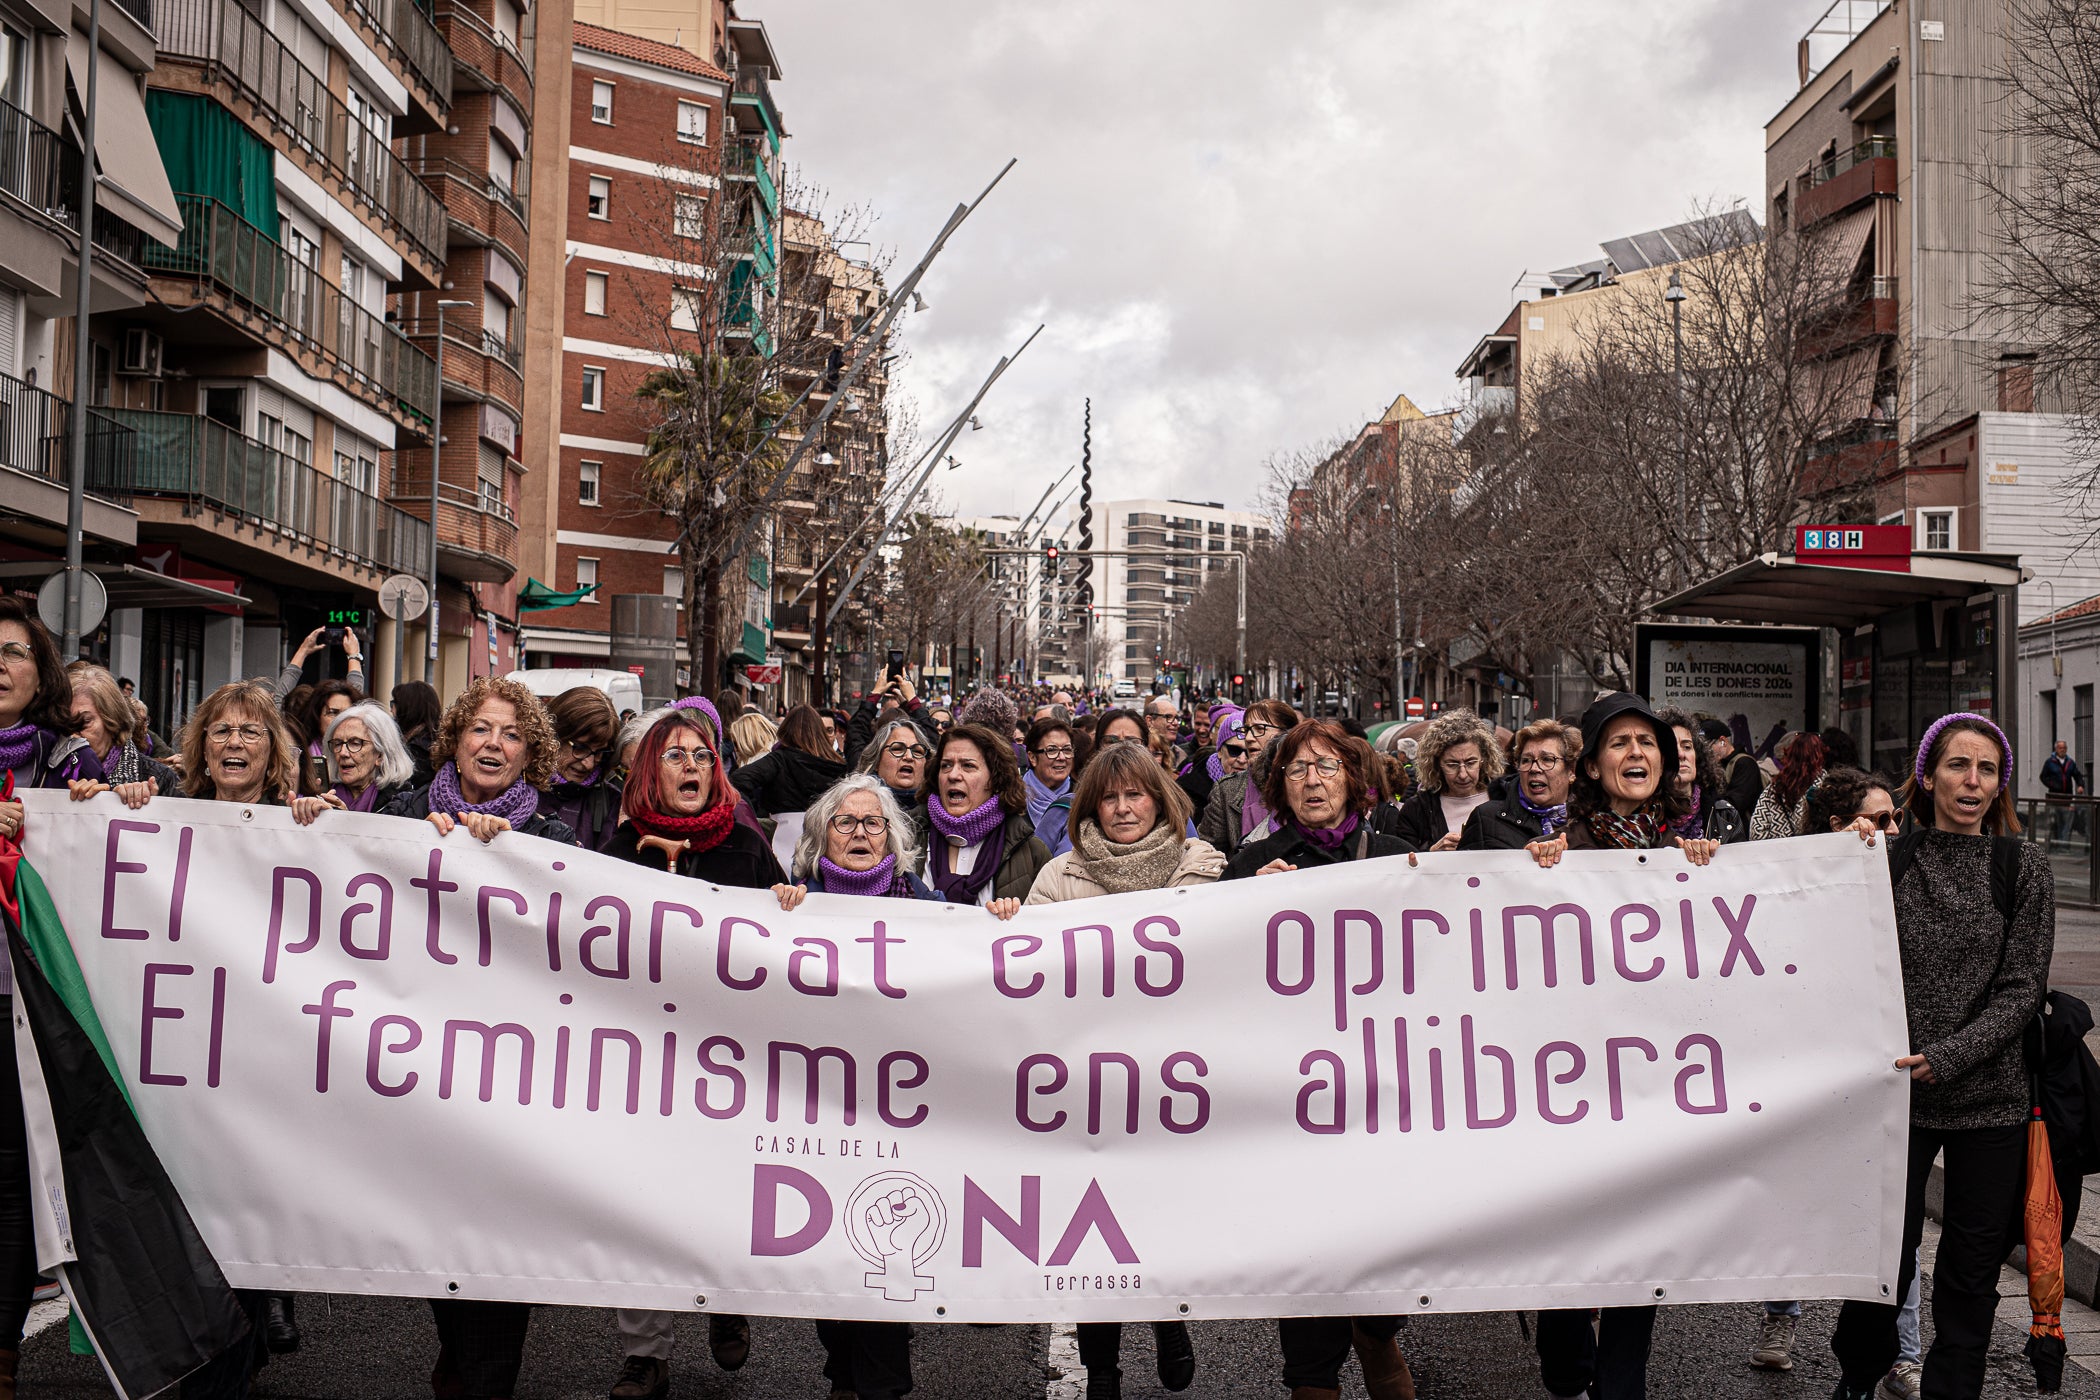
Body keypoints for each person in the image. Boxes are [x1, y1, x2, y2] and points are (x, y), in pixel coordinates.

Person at [1828, 714, 2053, 1400]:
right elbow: (1825, 945)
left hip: (1992, 1103)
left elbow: (2023, 990)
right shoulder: (1887, 860)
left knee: (1969, 1271)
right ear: (1927, 777)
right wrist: (1847, 845)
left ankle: (1952, 1390)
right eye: (1958, 765)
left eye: (1987, 769)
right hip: (1897, 1098)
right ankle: (1858, 1376)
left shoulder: (2022, 867)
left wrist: (1949, 1056)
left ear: (1999, 785)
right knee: (1879, 1263)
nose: (1972, 780)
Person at [1521, 693, 1718, 1400]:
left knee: (1640, 1243)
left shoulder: (1691, 852)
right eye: (1619, 743)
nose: (1635, 754)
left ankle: (1621, 1381)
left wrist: (1712, 874)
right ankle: (1568, 1359)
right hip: (1570, 1089)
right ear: (1593, 765)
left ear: (1665, 763)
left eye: (1648, 743)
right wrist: (1534, 872)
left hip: (1654, 1087)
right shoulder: (1554, 852)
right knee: (1575, 1242)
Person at [1221, 718, 1414, 1398]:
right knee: (1304, 1277)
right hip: (1289, 1111)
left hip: (1373, 1103)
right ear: (1279, 786)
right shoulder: (1252, 865)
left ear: (1355, 781)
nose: (1312, 781)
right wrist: (1249, 907)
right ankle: (1316, 1371)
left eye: (1327, 767)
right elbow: (1219, 985)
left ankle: (1376, 1333)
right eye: (1298, 769)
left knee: (1374, 1267)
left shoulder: (1395, 856)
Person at [1024, 741, 1215, 1399]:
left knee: (1159, 1218)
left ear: (1159, 799)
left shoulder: (1204, 869)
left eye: (1136, 794)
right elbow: (1029, 976)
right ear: (1091, 806)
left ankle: (1167, 1317)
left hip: (1173, 1084)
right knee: (1095, 1232)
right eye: (1111, 796)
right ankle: (1102, 1369)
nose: (1125, 807)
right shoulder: (1058, 879)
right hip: (1088, 1086)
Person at [603, 703, 783, 1398]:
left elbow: (787, 939)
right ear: (651, 770)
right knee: (644, 1204)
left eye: (703, 756)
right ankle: (644, 1352)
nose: (692, 767)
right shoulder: (617, 858)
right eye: (675, 756)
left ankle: (725, 1299)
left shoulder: (746, 846)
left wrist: (790, 904)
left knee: (721, 1194)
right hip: (645, 1063)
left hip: (729, 1065)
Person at [1747, 764, 1906, 1378]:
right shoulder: (1791, 883)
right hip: (1804, 1064)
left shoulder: (1905, 878)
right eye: (1880, 820)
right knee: (1793, 1190)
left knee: (1891, 1207)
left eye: (1897, 819)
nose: (1894, 831)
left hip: (1877, 1065)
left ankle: (1903, 1353)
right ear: (1840, 827)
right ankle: (1783, 1313)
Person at [380, 677, 576, 850]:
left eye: (511, 735)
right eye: (481, 729)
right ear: (456, 743)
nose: (493, 743)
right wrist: (412, 841)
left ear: (528, 757)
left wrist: (513, 848)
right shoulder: (402, 812)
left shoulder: (553, 840)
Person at [923, 723, 1047, 910]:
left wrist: (1013, 917)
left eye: (968, 766)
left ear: (996, 779)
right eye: (946, 765)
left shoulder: (1031, 851)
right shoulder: (908, 837)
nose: (953, 775)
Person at [1199, 699, 1299, 858]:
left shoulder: (1306, 782)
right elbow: (1207, 855)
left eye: (1259, 729)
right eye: (1247, 730)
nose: (1249, 738)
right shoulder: (1226, 791)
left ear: (1286, 733)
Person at [1457, 718, 1578, 850]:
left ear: (1571, 771)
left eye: (1547, 759)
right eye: (1526, 760)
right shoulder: (1486, 819)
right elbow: (1464, 869)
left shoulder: (1590, 822)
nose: (1534, 768)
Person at [1393, 707, 1502, 852]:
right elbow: (1402, 865)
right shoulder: (1416, 810)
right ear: (1437, 764)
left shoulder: (1505, 801)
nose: (1463, 774)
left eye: (1470, 763)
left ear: (1484, 759)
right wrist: (1431, 854)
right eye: (1452, 764)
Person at [65, 662, 174, 801]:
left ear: (113, 720)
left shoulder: (160, 778)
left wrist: (149, 807)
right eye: (65, 724)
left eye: (85, 721)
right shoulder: (46, 771)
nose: (73, 734)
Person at [538, 686, 625, 853]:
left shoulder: (611, 801)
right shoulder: (514, 786)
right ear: (552, 737)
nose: (589, 764)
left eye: (599, 752)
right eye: (580, 748)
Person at [291, 703, 415, 818]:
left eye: (355, 743)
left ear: (380, 755)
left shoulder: (404, 804)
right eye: (338, 743)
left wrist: (346, 820)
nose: (343, 753)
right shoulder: (320, 793)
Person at [1658, 707, 1748, 845]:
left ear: (1697, 755)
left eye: (1687, 747)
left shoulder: (1724, 814)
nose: (1681, 755)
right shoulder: (1645, 816)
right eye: (1670, 748)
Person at [1749, 731, 1825, 841]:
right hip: (1814, 853)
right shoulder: (1826, 787)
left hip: (1778, 855)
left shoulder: (1773, 789)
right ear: (1819, 755)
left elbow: (1756, 832)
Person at [1023, 715, 1077, 857]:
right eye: (1052, 750)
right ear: (1033, 757)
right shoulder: (1012, 798)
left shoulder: (1083, 797)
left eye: (1067, 750)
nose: (1061, 757)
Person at [1179, 708, 1245, 819]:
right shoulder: (1188, 792)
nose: (1242, 759)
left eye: (1249, 751)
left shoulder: (1262, 791)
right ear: (1219, 750)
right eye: (1234, 750)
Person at [271, 625, 364, 700]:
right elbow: (355, 700)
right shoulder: (345, 722)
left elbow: (280, 698)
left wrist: (303, 650)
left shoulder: (281, 720)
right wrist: (354, 654)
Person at [1699, 718, 1766, 815]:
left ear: (1723, 741)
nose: (1706, 753)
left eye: (1708, 747)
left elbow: (1735, 805)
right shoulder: (1716, 765)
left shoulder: (1745, 764)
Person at [391, 681, 442, 789]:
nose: (391, 710)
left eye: (394, 703)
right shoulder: (437, 741)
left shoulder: (416, 750)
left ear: (408, 708)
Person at [2042, 737, 2087, 847]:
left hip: (2067, 799)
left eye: (2064, 748)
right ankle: (2053, 845)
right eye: (2060, 748)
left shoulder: (2070, 763)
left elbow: (2077, 775)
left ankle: (2064, 845)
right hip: (2054, 798)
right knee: (2054, 823)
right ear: (2056, 749)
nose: (2062, 750)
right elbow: (2043, 777)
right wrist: (2053, 785)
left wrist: (2080, 785)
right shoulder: (2050, 762)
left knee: (2067, 823)